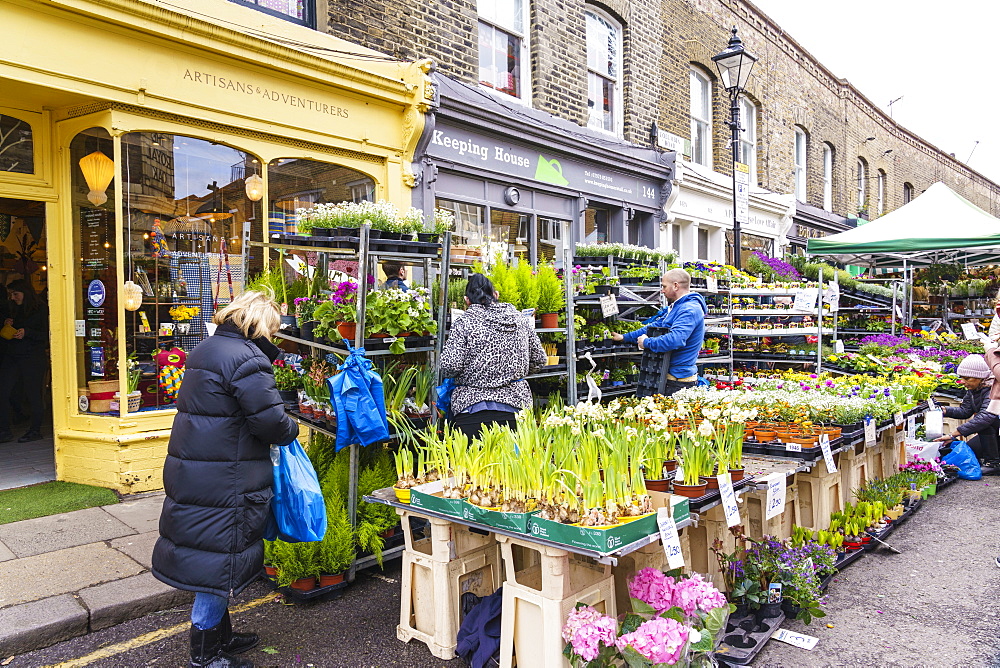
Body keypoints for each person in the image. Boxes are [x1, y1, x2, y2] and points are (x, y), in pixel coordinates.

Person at [151, 290, 298, 668]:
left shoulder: (207, 349)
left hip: (199, 470)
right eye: (274, 328)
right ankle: (206, 654)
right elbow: (269, 422)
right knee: (220, 559)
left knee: (215, 555)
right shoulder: (247, 359)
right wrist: (292, 428)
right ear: (260, 323)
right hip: (226, 476)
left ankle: (223, 636)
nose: (275, 336)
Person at [440, 273, 546, 440]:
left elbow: (449, 366)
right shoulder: (520, 320)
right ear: (496, 295)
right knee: (514, 464)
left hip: (471, 407)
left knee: (472, 465)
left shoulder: (464, 322)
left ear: (467, 300)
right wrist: (512, 374)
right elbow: (539, 359)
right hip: (516, 406)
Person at [612, 268, 706, 397]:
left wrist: (647, 343)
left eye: (664, 286)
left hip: (678, 381)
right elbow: (653, 327)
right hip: (668, 376)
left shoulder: (689, 309)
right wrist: (624, 337)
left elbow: (675, 340)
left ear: (675, 286)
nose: (662, 290)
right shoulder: (677, 307)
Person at [0, 279, 48, 443]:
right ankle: (4, 430)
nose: (13, 297)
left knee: (33, 393)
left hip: (32, 357)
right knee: (3, 391)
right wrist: (6, 324)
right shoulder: (12, 308)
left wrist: (27, 332)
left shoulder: (40, 308)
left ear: (25, 293)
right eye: (11, 294)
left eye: (15, 294)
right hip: (12, 355)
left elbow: (47, 335)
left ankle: (35, 430)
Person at [933, 353, 1000, 466]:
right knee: (970, 451)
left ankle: (993, 463)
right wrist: (944, 410)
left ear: (980, 377)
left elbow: (986, 417)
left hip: (996, 431)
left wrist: (953, 434)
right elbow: (965, 411)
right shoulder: (974, 389)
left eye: (967, 378)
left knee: (985, 423)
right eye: (961, 378)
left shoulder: (993, 389)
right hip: (993, 433)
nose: (962, 382)